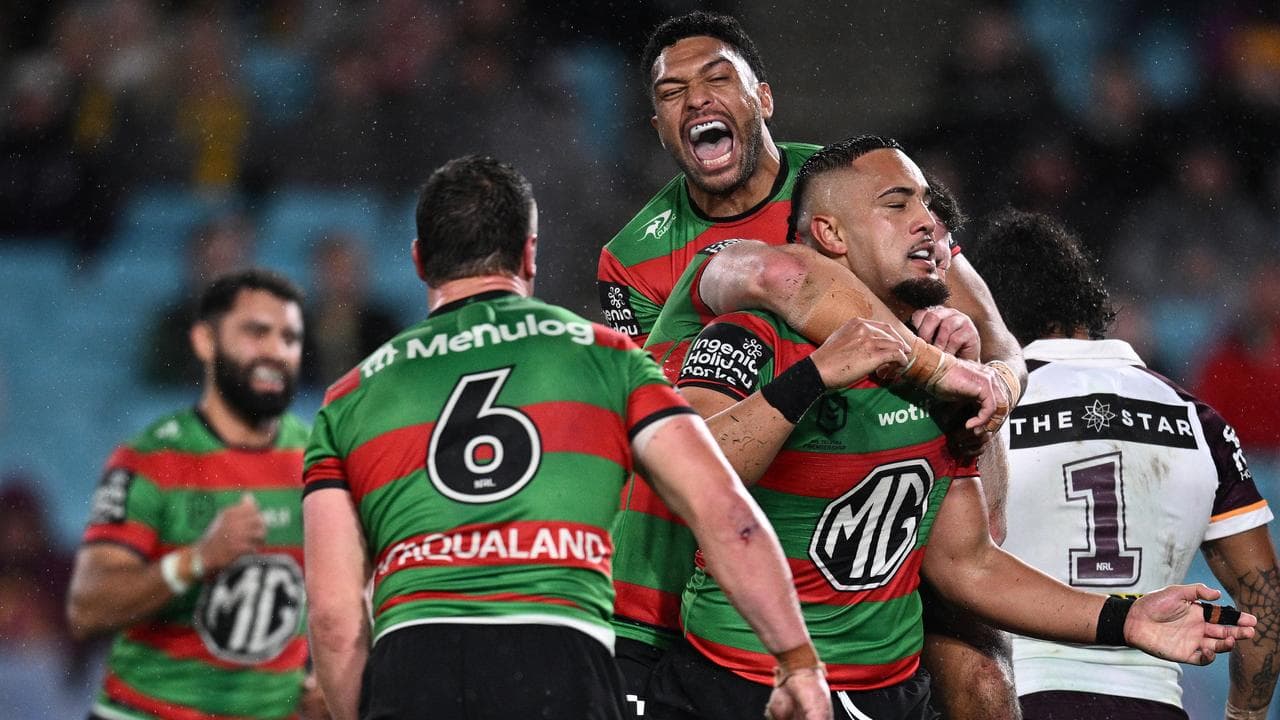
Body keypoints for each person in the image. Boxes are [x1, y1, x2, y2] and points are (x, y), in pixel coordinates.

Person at [651, 135, 1257, 720]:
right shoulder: (749, 337)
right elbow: (691, 478)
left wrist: (1126, 617)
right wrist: (814, 376)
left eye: (929, 205)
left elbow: (969, 563)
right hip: (740, 681)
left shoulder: (940, 373)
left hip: (887, 694)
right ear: (830, 234)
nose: (929, 221)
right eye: (898, 205)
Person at [597, 12, 1022, 718]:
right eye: (673, 94)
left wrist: (999, 386)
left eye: (717, 77)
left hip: (876, 535)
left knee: (984, 686)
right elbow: (662, 426)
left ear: (762, 98)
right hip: (722, 554)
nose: (697, 100)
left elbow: (992, 335)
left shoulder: (854, 190)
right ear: (658, 126)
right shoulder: (631, 256)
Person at [301, 155, 832, 720]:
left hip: (414, 664)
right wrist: (797, 661)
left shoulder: (350, 399)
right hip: (562, 664)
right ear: (530, 254)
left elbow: (334, 618)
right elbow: (725, 514)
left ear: (418, 262)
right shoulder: (607, 361)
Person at [963, 209, 1280, 720]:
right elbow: (1264, 598)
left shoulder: (983, 412)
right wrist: (1245, 715)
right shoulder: (1200, 421)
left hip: (1014, 695)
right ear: (1086, 302)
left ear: (993, 315)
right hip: (1153, 702)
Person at [67, 269, 322, 720]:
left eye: (290, 338)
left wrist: (320, 678)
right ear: (205, 342)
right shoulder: (150, 459)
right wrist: (196, 560)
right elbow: (88, 607)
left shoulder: (316, 460)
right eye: (257, 332)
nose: (277, 352)